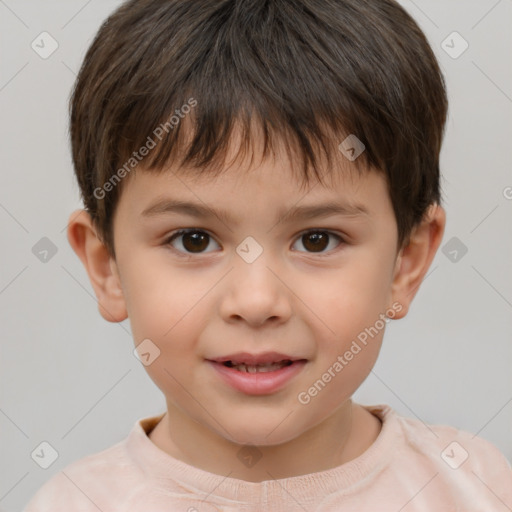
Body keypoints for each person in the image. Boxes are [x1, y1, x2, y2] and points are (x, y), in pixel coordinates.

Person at [24, 0, 512, 510]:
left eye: (317, 239)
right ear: (107, 269)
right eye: (193, 240)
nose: (256, 302)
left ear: (406, 262)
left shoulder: (477, 488)